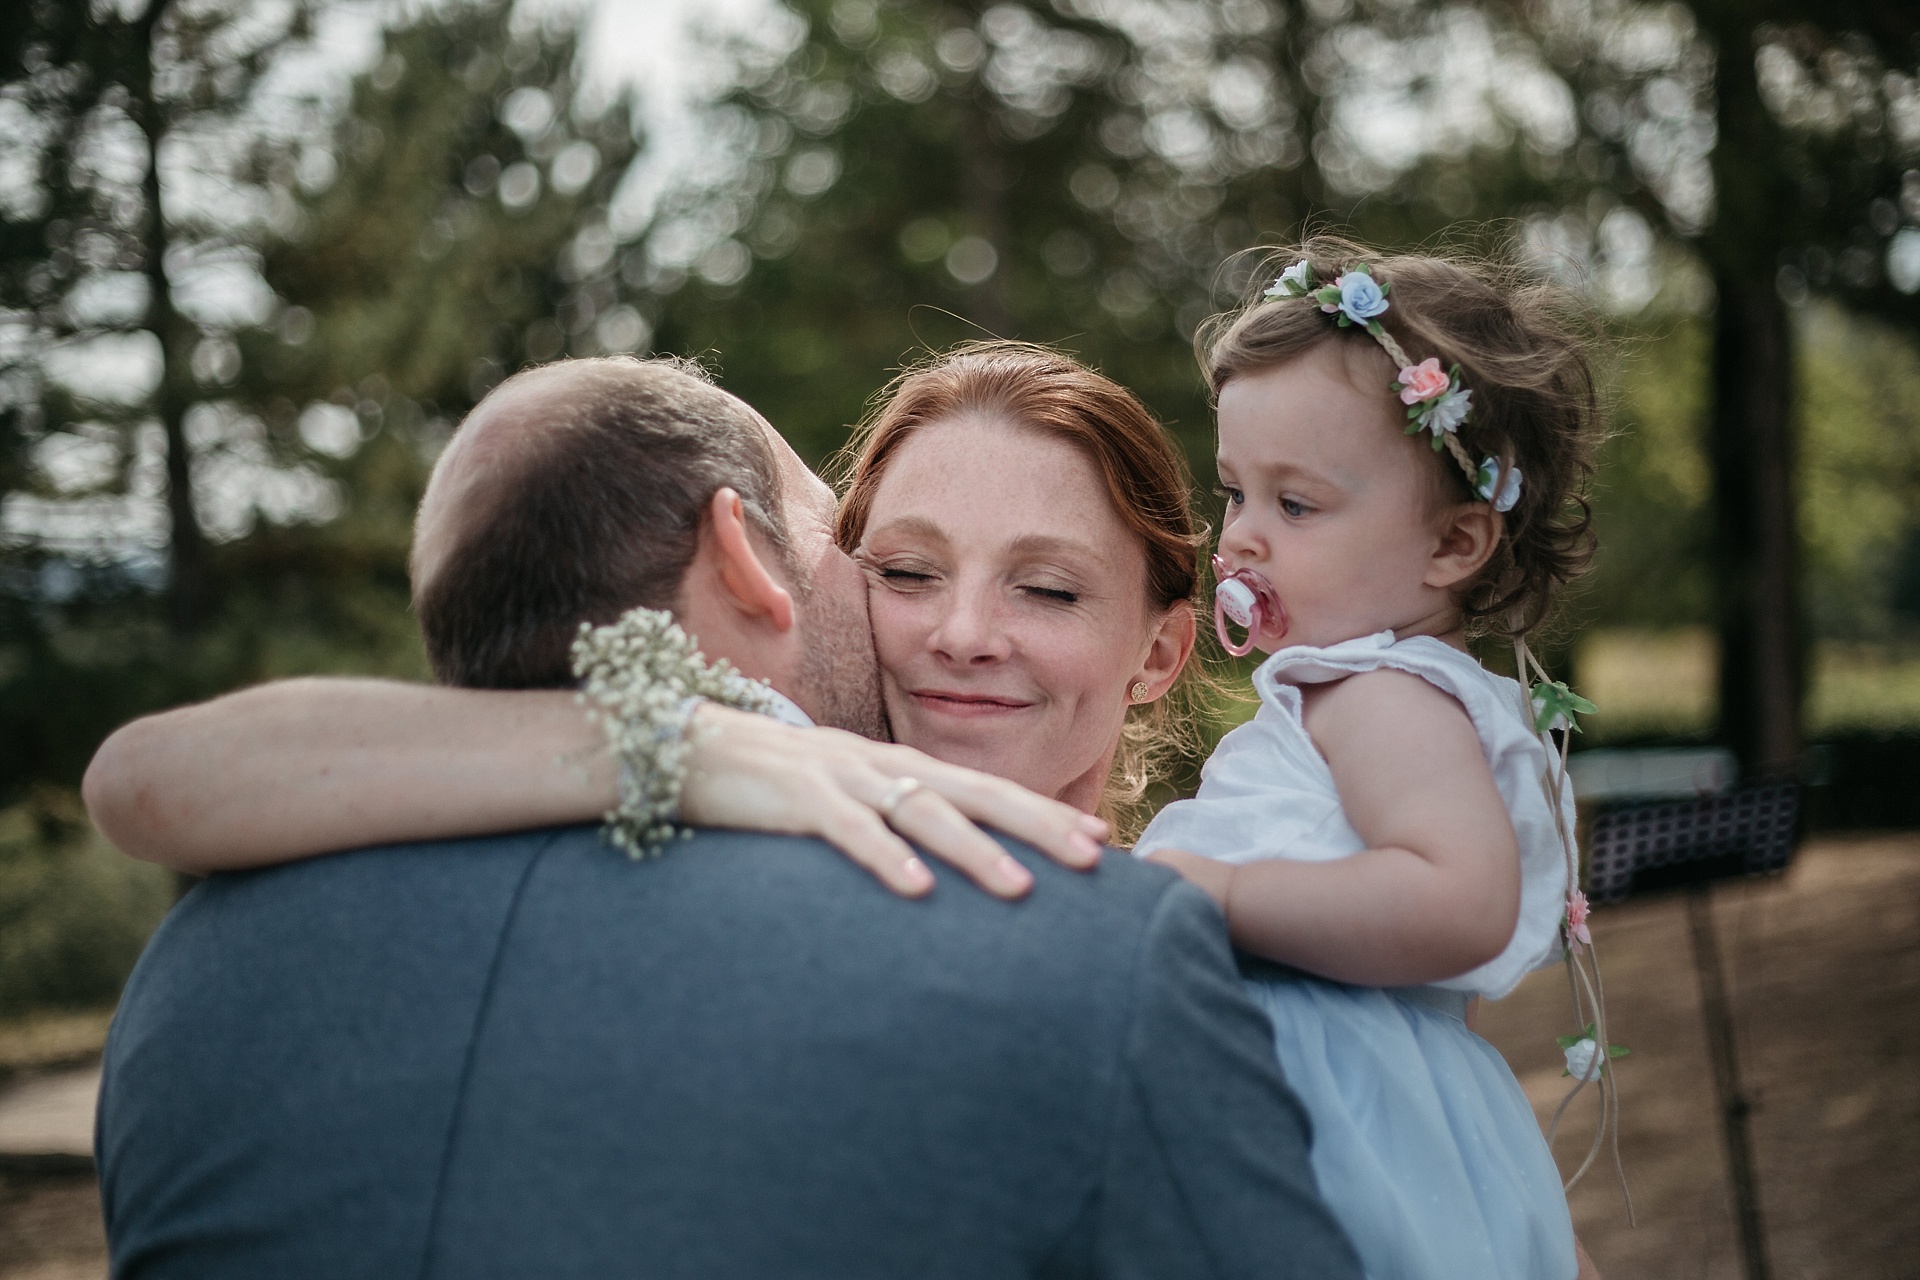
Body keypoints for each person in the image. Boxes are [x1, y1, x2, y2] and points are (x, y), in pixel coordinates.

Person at [90, 355, 1362, 1278]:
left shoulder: (192, 969)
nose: (954, 632)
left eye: (1043, 584)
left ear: (1161, 648)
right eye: (890, 564)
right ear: (750, 560)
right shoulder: (1090, 948)